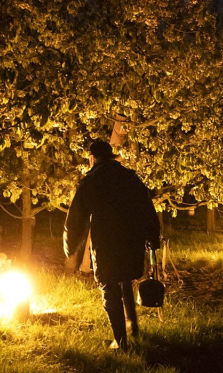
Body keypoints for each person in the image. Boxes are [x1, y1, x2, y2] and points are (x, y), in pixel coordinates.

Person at [63, 140, 161, 351]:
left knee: (109, 286)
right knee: (124, 279)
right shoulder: (130, 178)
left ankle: (121, 342)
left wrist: (70, 246)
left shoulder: (91, 181)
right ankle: (133, 327)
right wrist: (152, 236)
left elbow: (76, 217)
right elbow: (146, 207)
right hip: (131, 239)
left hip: (106, 243)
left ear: (92, 159)